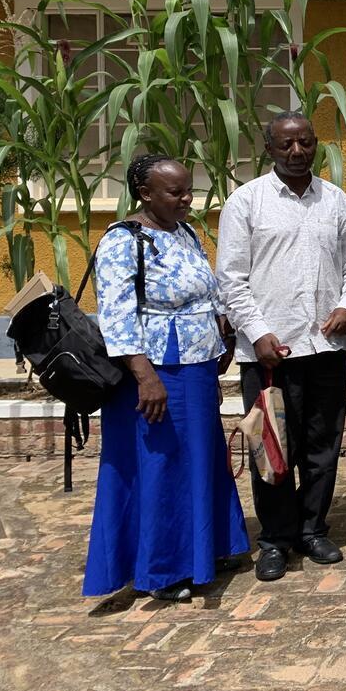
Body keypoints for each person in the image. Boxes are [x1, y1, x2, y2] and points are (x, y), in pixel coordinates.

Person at [86, 154, 249, 601]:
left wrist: (222, 335)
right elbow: (116, 318)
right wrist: (146, 378)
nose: (186, 199)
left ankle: (207, 547)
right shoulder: (122, 242)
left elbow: (206, 290)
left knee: (200, 456)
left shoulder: (183, 231)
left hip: (194, 366)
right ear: (145, 194)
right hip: (157, 370)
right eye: (175, 192)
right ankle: (164, 569)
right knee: (164, 463)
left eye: (187, 189)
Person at [216, 112, 346, 582]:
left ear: (316, 144)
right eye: (287, 145)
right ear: (269, 149)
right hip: (270, 353)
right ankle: (275, 539)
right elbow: (231, 278)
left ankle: (312, 529)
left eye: (305, 142)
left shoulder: (337, 202)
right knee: (273, 448)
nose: (297, 152)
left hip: (325, 348)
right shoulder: (246, 203)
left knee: (322, 446)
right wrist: (257, 332)